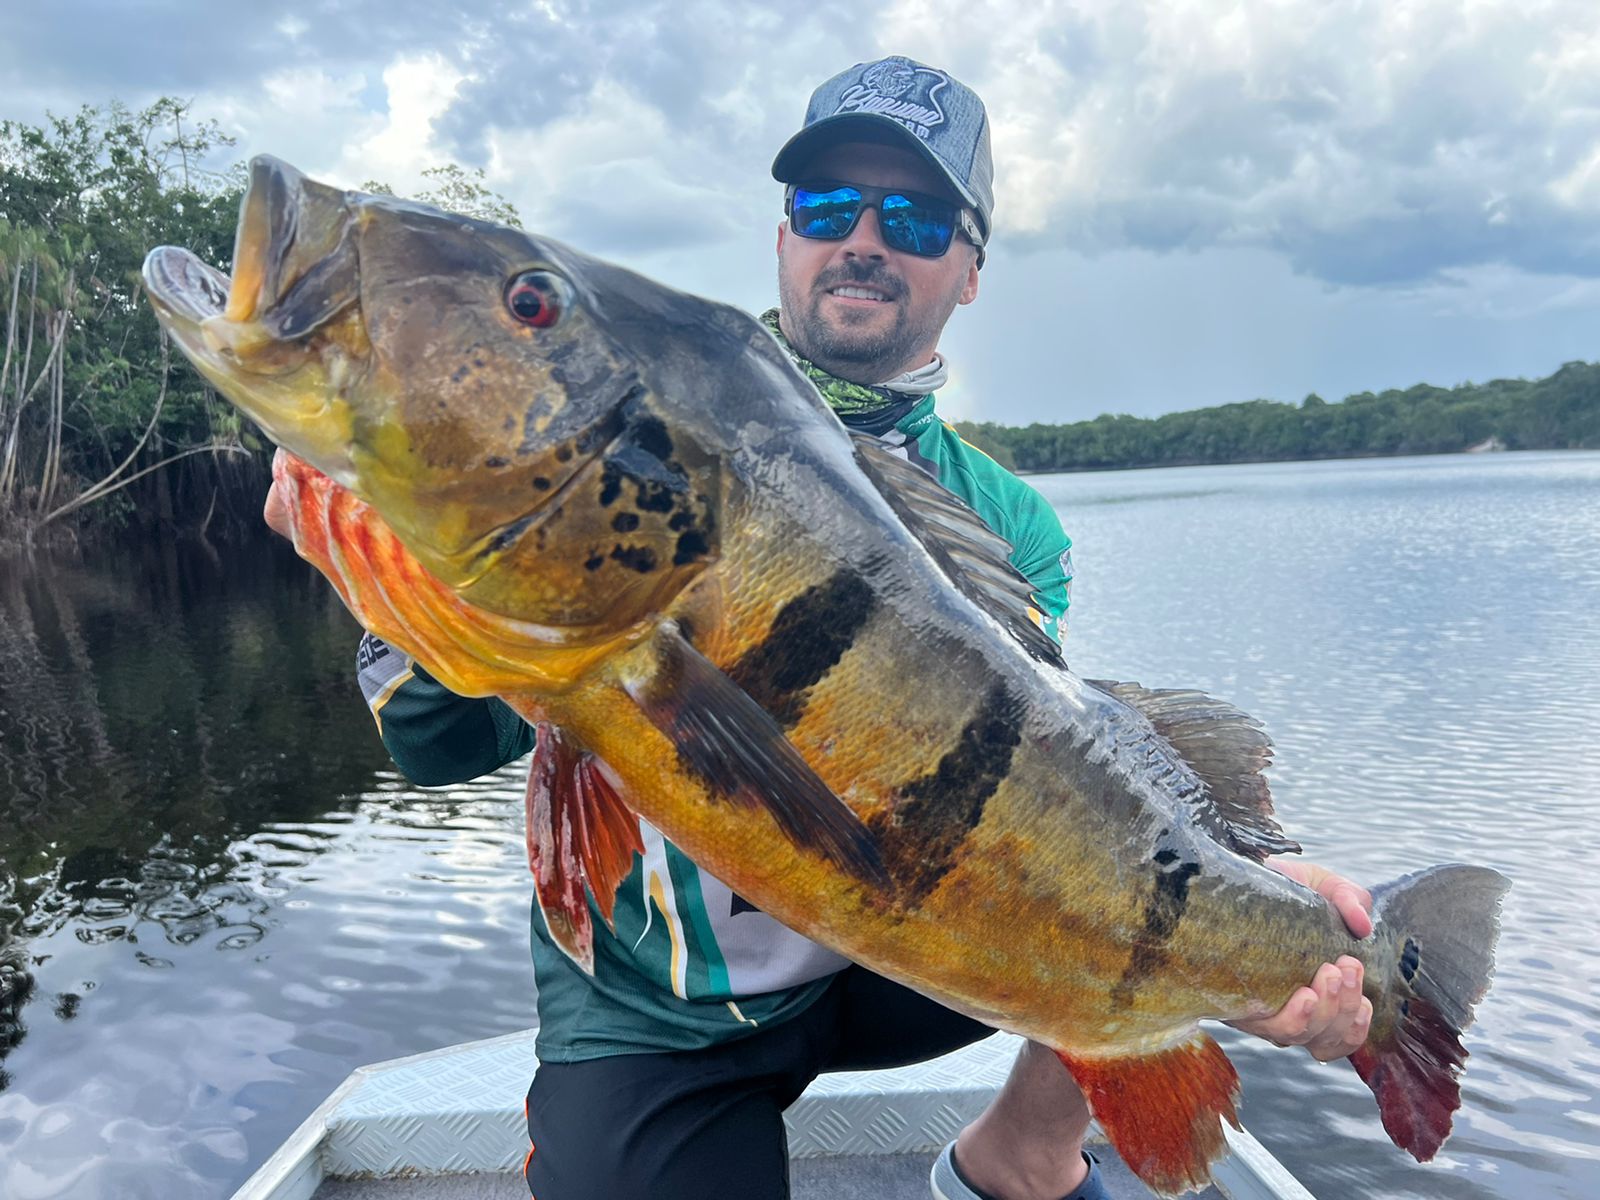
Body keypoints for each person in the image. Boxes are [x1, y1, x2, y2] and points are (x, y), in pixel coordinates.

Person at [266, 55, 1375, 1200]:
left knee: (1118, 910)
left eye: (915, 218)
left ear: (970, 269)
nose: (863, 240)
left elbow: (1068, 783)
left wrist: (1259, 893)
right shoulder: (647, 419)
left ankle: (1022, 1150)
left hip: (901, 965)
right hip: (666, 1010)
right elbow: (435, 745)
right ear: (784, 236)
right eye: (828, 205)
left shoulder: (1008, 521)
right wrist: (392, 541)